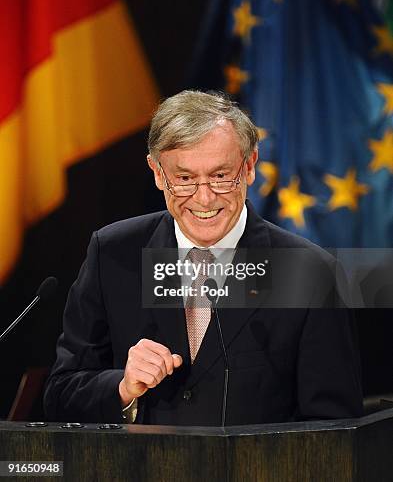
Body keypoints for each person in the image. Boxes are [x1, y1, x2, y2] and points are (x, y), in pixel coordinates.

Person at [44, 90, 363, 425]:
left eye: (221, 176)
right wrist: (122, 389)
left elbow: (333, 429)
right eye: (184, 179)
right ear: (156, 172)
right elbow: (60, 395)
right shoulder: (113, 254)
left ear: (250, 166)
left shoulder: (310, 273)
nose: (205, 198)